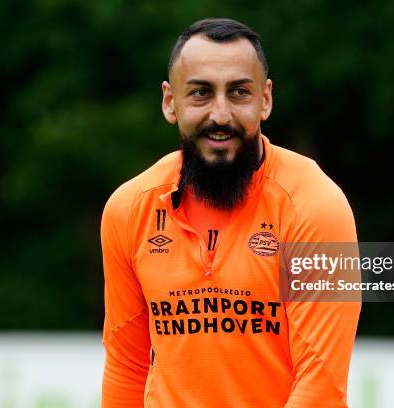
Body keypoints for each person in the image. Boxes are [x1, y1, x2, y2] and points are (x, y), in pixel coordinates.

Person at [100, 18, 361, 407]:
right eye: (201, 93)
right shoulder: (128, 208)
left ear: (265, 99)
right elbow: (127, 368)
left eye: (239, 92)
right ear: (170, 102)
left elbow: (321, 384)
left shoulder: (318, 206)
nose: (220, 115)